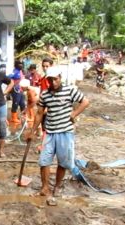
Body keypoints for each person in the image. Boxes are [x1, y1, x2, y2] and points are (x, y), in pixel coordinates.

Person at [26, 66, 90, 201]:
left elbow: (85, 102)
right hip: (49, 132)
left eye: (55, 79)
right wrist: (32, 131)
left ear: (60, 77)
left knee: (63, 161)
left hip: (65, 131)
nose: (53, 83)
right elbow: (39, 113)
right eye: (50, 80)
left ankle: (57, 186)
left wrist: (74, 114)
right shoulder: (45, 94)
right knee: (44, 161)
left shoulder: (70, 90)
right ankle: (44, 188)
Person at [9, 60, 25, 125]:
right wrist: (12, 84)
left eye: (21, 64)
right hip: (16, 90)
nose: (21, 65)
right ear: (16, 65)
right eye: (19, 64)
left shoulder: (20, 71)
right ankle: (13, 118)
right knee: (15, 104)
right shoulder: (15, 71)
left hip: (21, 90)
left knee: (22, 104)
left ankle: (23, 117)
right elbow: (8, 77)